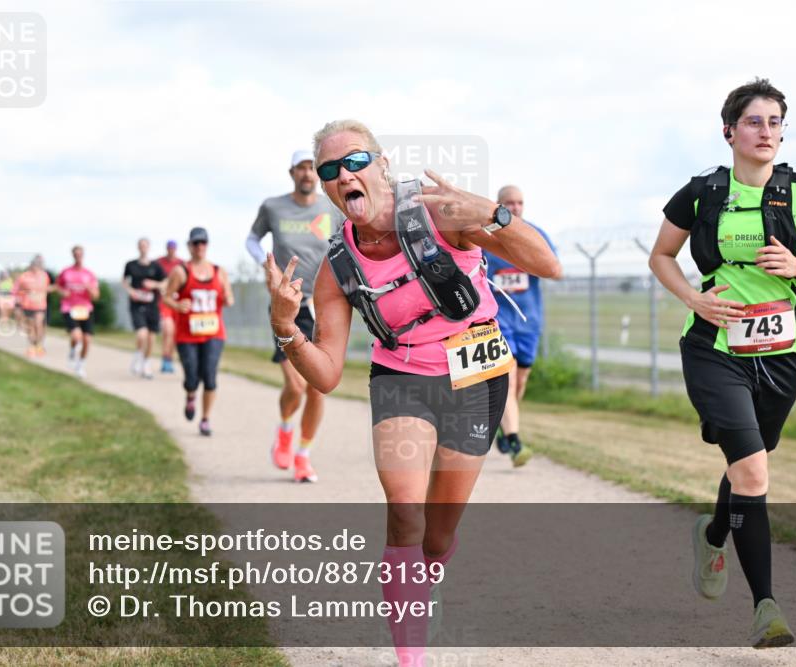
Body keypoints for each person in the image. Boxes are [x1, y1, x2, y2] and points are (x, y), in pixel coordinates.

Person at [266, 120, 559, 666]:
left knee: (439, 535)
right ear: (327, 188)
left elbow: (547, 264)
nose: (341, 175)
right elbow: (326, 373)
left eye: (353, 161)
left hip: (476, 372)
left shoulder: (440, 212)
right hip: (402, 376)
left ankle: (424, 581)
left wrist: (489, 213)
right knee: (405, 510)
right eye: (330, 171)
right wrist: (287, 326)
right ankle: (411, 658)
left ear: (381, 165)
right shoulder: (339, 264)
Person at [648, 78, 796, 649]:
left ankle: (713, 534)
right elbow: (661, 255)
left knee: (748, 466)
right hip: (715, 349)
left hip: (781, 355)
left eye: (776, 122)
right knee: (755, 472)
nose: (767, 132)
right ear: (729, 131)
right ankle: (767, 608)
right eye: (755, 121)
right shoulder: (700, 192)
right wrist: (694, 298)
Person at [246, 149, 343, 482]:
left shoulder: (331, 208)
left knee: (318, 387)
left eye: (311, 168)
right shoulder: (273, 207)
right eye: (300, 168)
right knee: (296, 385)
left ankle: (303, 454)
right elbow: (252, 239)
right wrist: (264, 262)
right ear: (291, 173)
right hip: (287, 304)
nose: (306, 174)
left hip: (325, 304)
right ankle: (285, 428)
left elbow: (350, 242)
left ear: (317, 174)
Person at [483, 185, 561, 467]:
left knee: (520, 381)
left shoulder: (535, 235)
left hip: (529, 322)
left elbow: (556, 270)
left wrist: (533, 261)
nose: (515, 208)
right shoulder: (485, 238)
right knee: (509, 376)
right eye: (509, 203)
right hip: (499, 322)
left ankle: (506, 426)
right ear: (498, 205)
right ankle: (514, 440)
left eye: (519, 203)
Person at [164, 227, 234, 436]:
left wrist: (229, 299)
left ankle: (205, 419)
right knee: (192, 377)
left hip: (214, 333)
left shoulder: (218, 271)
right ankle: (191, 395)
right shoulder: (180, 271)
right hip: (187, 334)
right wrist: (177, 306)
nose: (200, 247)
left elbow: (229, 295)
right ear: (189, 246)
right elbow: (167, 296)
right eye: (196, 243)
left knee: (210, 377)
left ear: (207, 245)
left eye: (203, 242)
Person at [124, 238, 167, 379]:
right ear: (138, 247)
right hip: (137, 304)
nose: (143, 248)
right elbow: (124, 281)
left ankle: (146, 364)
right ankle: (138, 354)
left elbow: (165, 282)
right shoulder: (130, 265)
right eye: (141, 245)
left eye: (145, 245)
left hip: (153, 305)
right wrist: (131, 291)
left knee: (151, 337)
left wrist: (153, 284)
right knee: (142, 334)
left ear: (149, 247)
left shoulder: (156, 266)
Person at [57, 245, 100, 378]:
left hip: (85, 309)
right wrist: (62, 292)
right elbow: (58, 287)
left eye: (80, 254)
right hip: (69, 307)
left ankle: (80, 364)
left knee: (87, 339)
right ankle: (72, 350)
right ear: (73, 255)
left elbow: (96, 296)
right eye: (76, 254)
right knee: (77, 336)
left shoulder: (89, 274)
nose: (78, 256)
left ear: (83, 255)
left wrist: (90, 290)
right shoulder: (66, 272)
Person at [14, 255, 52, 357]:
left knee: (38, 324)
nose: (36, 266)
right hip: (27, 306)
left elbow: (47, 288)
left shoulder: (44, 275)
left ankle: (38, 345)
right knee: (30, 328)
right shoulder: (24, 276)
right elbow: (15, 291)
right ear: (31, 265)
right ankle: (32, 346)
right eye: (34, 264)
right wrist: (17, 305)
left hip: (40, 306)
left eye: (38, 264)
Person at [155, 240, 184, 374]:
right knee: (167, 330)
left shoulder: (181, 264)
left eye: (173, 248)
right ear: (166, 249)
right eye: (169, 248)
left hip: (177, 302)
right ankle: (165, 358)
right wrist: (160, 285)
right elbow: (154, 279)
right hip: (164, 302)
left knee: (174, 334)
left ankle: (169, 359)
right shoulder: (158, 262)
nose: (171, 250)